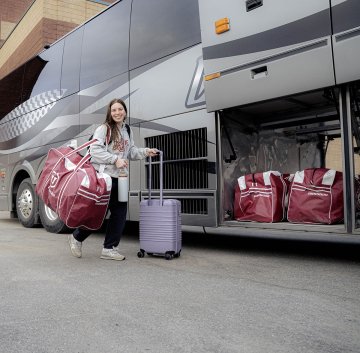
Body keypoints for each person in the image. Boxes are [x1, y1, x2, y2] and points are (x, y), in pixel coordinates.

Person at [68, 98, 158, 261]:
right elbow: (94, 151)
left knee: (120, 213)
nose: (117, 113)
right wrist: (114, 160)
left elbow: (130, 152)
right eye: (114, 110)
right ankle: (76, 237)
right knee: (99, 213)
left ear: (125, 112)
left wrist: (145, 151)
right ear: (110, 113)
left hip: (121, 178)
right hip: (105, 178)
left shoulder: (127, 130)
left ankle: (109, 248)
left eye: (120, 109)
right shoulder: (104, 129)